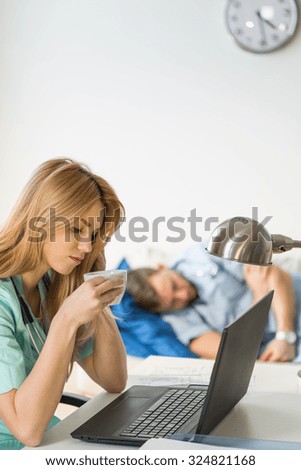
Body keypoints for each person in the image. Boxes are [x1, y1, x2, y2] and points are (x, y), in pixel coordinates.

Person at [0, 158, 127, 449]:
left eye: (93, 235)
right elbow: (26, 430)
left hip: (48, 443)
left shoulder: (51, 285)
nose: (86, 246)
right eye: (76, 230)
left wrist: (97, 288)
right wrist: (66, 320)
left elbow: (113, 379)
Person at [127, 243, 301, 363]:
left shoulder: (202, 254)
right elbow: (232, 352)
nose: (183, 295)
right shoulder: (176, 321)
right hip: (287, 353)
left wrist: (285, 336)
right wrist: (258, 295)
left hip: (291, 318)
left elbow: (271, 274)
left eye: (174, 285)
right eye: (173, 303)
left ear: (162, 267)